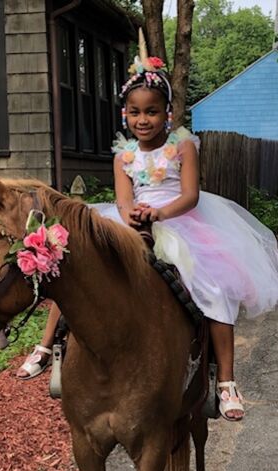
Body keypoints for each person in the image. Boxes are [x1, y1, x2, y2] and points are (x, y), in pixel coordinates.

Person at [18, 38, 278, 422]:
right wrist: (131, 217)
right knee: (77, 264)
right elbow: (123, 200)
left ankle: (225, 379)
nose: (143, 120)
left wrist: (157, 214)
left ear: (167, 114)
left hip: (180, 219)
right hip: (130, 220)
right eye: (135, 112)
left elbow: (190, 195)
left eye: (152, 112)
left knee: (214, 284)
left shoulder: (184, 146)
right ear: (125, 114)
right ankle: (46, 347)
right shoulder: (124, 154)